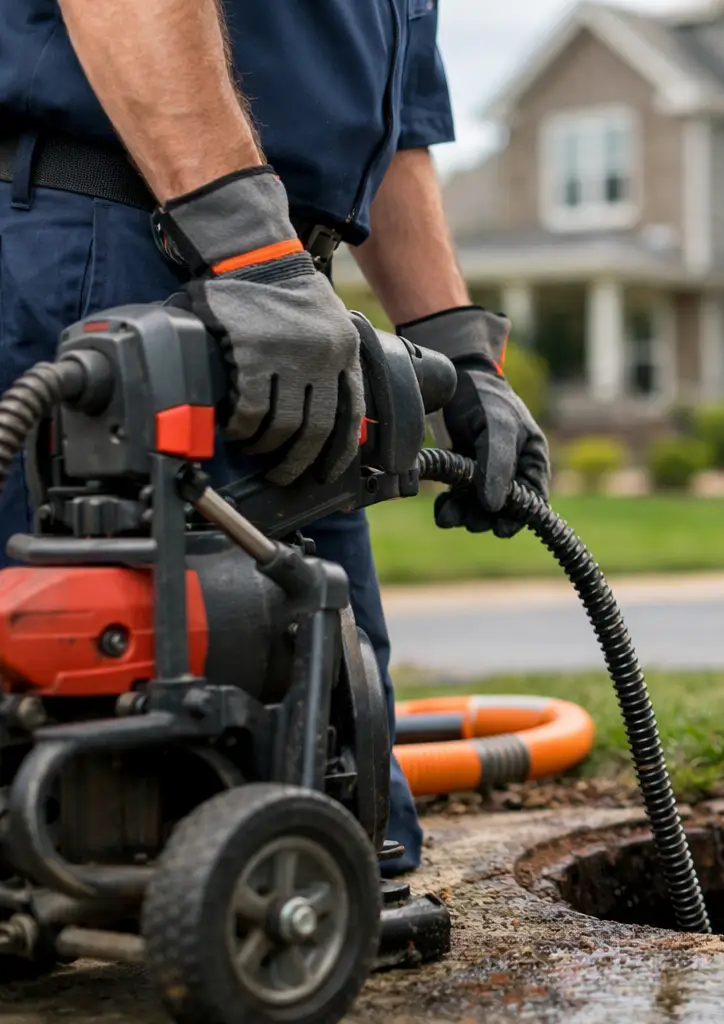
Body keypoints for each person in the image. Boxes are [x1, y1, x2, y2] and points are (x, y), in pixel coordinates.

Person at [0, 1, 551, 875]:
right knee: (91, 827)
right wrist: (252, 250)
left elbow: (397, 133)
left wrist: (459, 351)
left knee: (342, 826)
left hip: (286, 302)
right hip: (118, 238)